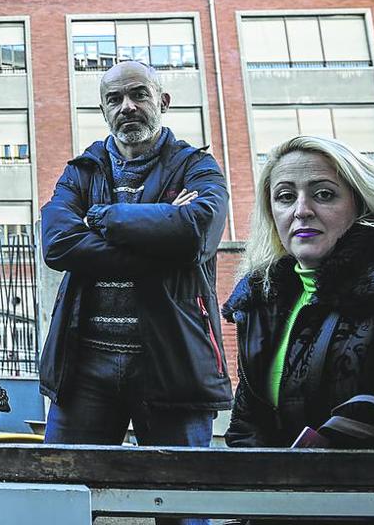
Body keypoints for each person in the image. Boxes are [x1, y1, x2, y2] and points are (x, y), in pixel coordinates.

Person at [39, 60, 231, 525]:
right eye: (114, 99)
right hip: (84, 367)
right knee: (61, 501)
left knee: (183, 506)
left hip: (172, 364)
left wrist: (102, 217)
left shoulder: (197, 167)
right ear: (103, 110)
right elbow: (58, 241)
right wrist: (158, 232)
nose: (127, 106)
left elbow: (195, 233)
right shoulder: (83, 170)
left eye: (139, 94)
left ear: (163, 102)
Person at [223, 134, 374, 450]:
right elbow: (247, 426)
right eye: (285, 197)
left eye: (324, 194)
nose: (302, 210)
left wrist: (363, 475)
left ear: (359, 203)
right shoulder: (261, 299)